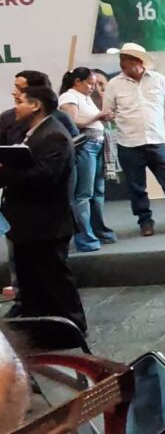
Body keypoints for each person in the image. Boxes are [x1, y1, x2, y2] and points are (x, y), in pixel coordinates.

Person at [0, 86, 87, 332]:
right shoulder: (33, 133)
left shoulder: (53, 135)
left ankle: (72, 327)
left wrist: (6, 172)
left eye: (20, 101)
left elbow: (46, 176)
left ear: (36, 105)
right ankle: (40, 327)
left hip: (47, 222)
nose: (15, 107)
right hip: (28, 223)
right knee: (32, 281)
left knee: (55, 279)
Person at [104, 43, 165, 236]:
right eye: (121, 59)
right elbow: (108, 111)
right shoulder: (113, 84)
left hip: (157, 141)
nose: (122, 63)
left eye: (126, 59)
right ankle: (145, 222)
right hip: (128, 143)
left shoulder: (159, 80)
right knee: (137, 187)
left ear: (139, 61)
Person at [58, 67, 117, 252]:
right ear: (78, 81)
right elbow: (73, 122)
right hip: (85, 145)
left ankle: (99, 231)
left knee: (98, 192)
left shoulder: (85, 97)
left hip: (98, 144)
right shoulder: (69, 97)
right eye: (90, 84)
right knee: (83, 194)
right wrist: (98, 116)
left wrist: (101, 118)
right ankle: (85, 237)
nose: (93, 87)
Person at [0, 71, 80, 146]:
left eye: (20, 89)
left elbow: (77, 145)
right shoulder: (7, 117)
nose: (14, 93)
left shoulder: (59, 121)